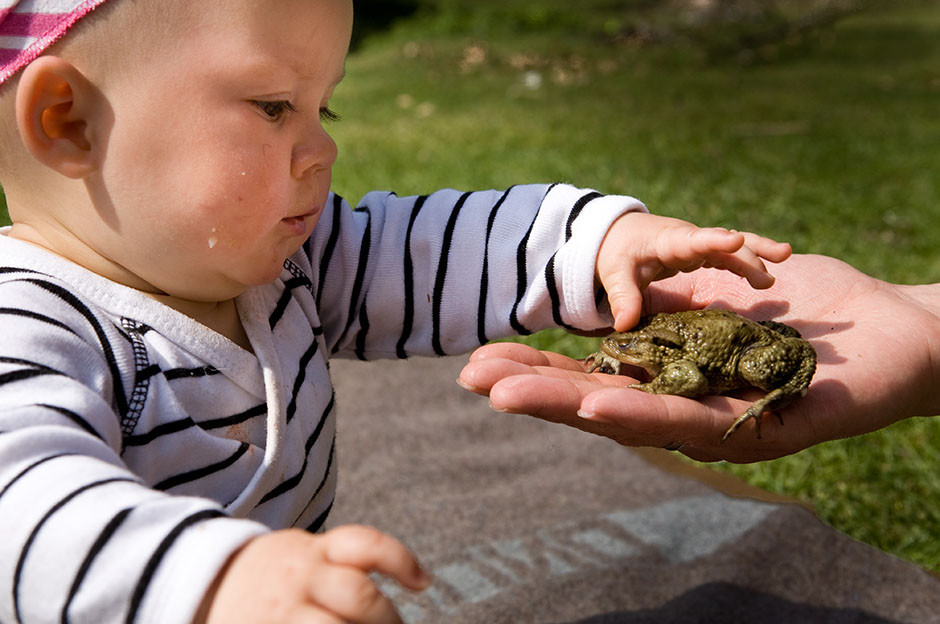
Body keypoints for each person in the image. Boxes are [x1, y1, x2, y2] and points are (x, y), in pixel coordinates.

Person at [0, 1, 792, 622]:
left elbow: (423, 250)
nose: (322, 150)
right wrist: (207, 581)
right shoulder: (28, 327)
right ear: (69, 121)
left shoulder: (280, 267)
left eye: (324, 111)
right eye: (275, 106)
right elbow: (21, 505)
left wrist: (590, 244)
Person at [459, 253, 940, 464]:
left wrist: (646, 386)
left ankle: (783, 389)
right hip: (717, 334)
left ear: (656, 351)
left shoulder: (674, 362)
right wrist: (617, 358)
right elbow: (634, 349)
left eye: (629, 346)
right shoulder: (648, 342)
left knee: (753, 370)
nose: (620, 347)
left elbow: (687, 379)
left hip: (744, 349)